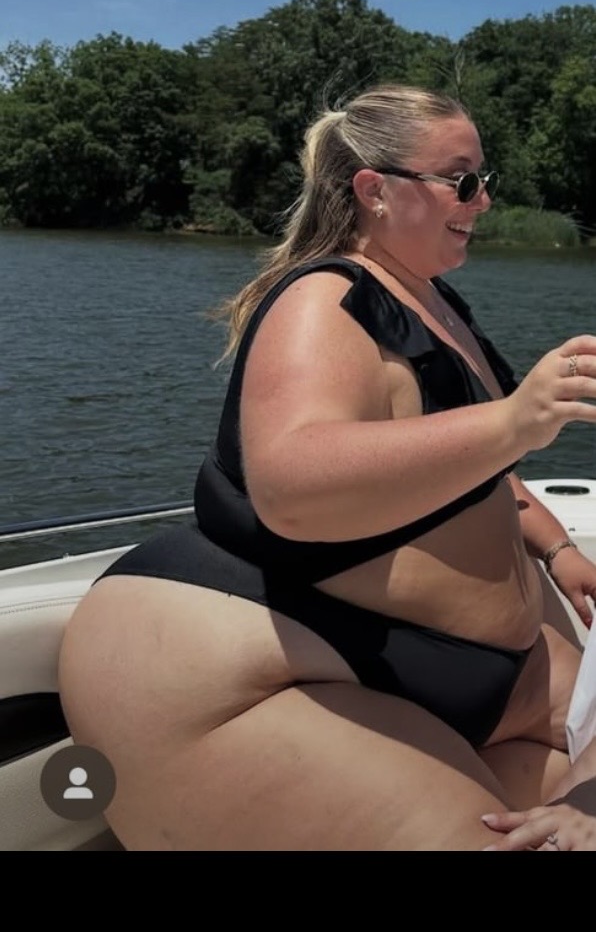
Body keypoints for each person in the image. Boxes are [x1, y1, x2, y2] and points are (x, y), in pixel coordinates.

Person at [58, 75, 596, 851]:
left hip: (462, 669)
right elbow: (292, 484)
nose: (481, 201)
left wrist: (557, 549)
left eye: (484, 180)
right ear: (376, 191)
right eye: (461, 181)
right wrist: (516, 419)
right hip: (263, 668)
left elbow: (477, 470)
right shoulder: (324, 297)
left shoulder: (436, 302)